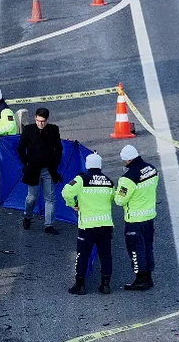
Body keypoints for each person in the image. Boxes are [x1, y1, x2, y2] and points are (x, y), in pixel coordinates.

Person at [62, 152, 115, 295]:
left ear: (87, 165)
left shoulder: (81, 179)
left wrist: (73, 204)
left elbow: (66, 192)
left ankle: (80, 285)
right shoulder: (108, 181)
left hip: (87, 226)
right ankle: (105, 286)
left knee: (83, 255)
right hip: (106, 225)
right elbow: (112, 198)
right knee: (106, 255)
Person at [114, 144, 158, 290]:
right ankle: (148, 278)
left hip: (134, 220)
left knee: (136, 250)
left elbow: (120, 200)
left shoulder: (128, 178)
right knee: (148, 247)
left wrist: (116, 191)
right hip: (149, 216)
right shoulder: (152, 169)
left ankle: (140, 280)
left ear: (127, 160)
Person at [18, 107, 63, 234]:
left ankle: (49, 225)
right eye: (38, 121)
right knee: (32, 197)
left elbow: (59, 149)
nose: (40, 124)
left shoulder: (54, 130)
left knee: (50, 198)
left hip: (48, 169)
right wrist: (27, 163)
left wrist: (55, 164)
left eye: (43, 121)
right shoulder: (28, 130)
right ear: (35, 118)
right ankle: (27, 216)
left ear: (47, 120)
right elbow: (20, 148)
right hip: (33, 169)